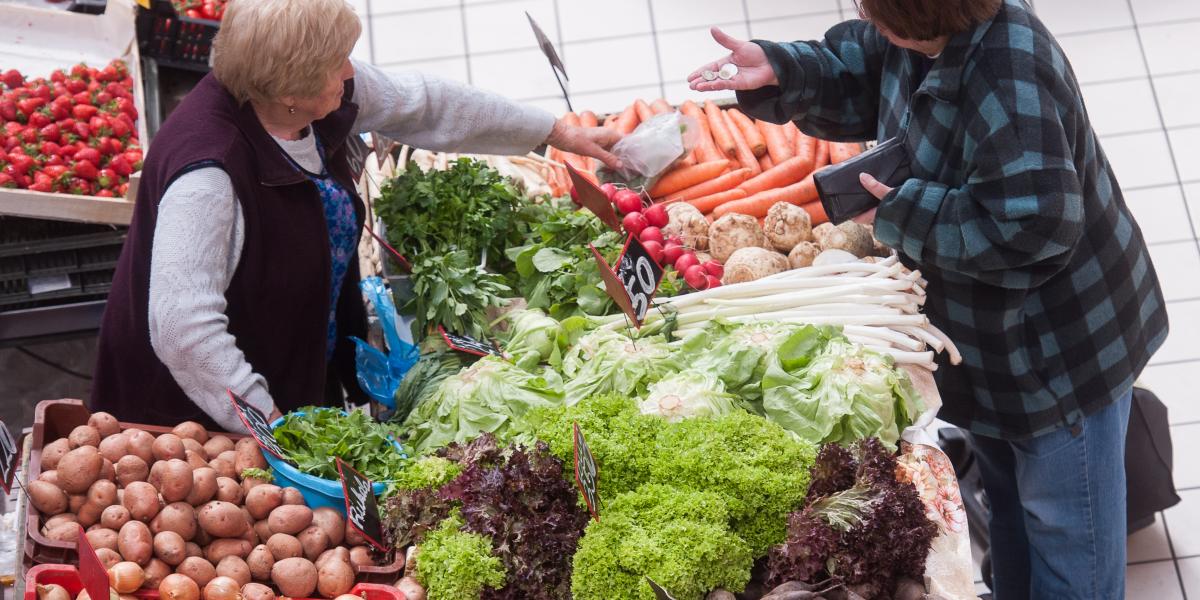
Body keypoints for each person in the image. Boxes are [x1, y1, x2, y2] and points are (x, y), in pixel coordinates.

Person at [689, 0, 1167, 598]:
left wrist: (905, 212)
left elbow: (1037, 227)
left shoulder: (1009, 74)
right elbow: (858, 66)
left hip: (1058, 355)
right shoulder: (924, 33)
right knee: (1012, 508)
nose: (866, 15)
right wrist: (784, 70)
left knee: (1070, 535)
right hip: (990, 349)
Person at [90, 0, 621, 433]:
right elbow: (184, 330)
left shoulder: (305, 97)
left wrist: (553, 131)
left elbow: (426, 104)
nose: (350, 72)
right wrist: (273, 428)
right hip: (190, 416)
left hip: (290, 355)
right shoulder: (208, 173)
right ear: (290, 91)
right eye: (337, 64)